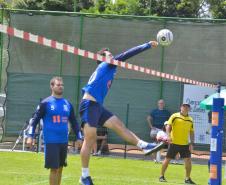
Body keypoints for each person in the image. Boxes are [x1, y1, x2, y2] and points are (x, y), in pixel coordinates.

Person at [79, 41, 165, 185]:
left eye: (112, 55)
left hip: (97, 106)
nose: (112, 56)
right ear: (103, 58)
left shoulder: (108, 68)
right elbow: (128, 53)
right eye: (109, 55)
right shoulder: (106, 64)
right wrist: (147, 45)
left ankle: (143, 146)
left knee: (119, 125)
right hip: (89, 104)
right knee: (90, 140)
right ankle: (84, 176)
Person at [27, 76, 83, 185]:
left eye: (62, 85)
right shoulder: (45, 103)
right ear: (52, 86)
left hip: (63, 141)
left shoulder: (67, 104)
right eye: (58, 85)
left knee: (61, 168)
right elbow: (34, 121)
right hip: (51, 141)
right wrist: (30, 136)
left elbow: (75, 122)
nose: (61, 87)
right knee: (54, 169)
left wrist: (79, 137)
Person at [159, 103, 196, 184]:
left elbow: (192, 132)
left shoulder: (190, 119)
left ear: (189, 109)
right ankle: (161, 176)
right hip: (174, 143)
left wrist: (192, 143)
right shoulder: (174, 116)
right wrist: (168, 136)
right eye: (183, 106)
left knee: (188, 161)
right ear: (181, 108)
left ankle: (187, 179)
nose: (185, 108)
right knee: (167, 159)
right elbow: (168, 126)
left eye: (187, 107)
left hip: (185, 144)